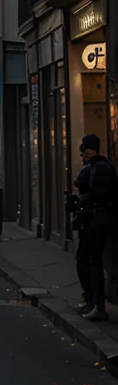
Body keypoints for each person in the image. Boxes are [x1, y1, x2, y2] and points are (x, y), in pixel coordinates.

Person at [73, 133, 118, 322]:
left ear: (89, 150)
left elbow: (84, 186)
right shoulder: (108, 167)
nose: (82, 153)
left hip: (96, 218)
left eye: (84, 150)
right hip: (107, 217)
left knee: (93, 260)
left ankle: (97, 303)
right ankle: (97, 302)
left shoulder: (94, 168)